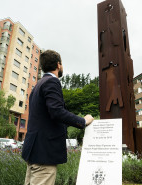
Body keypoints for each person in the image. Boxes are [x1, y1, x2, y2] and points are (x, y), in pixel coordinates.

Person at [22, 50, 94, 185]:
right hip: (44, 153)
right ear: (58, 65)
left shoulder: (38, 85)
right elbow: (56, 111)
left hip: (34, 151)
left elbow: (47, 116)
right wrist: (83, 121)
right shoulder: (51, 82)